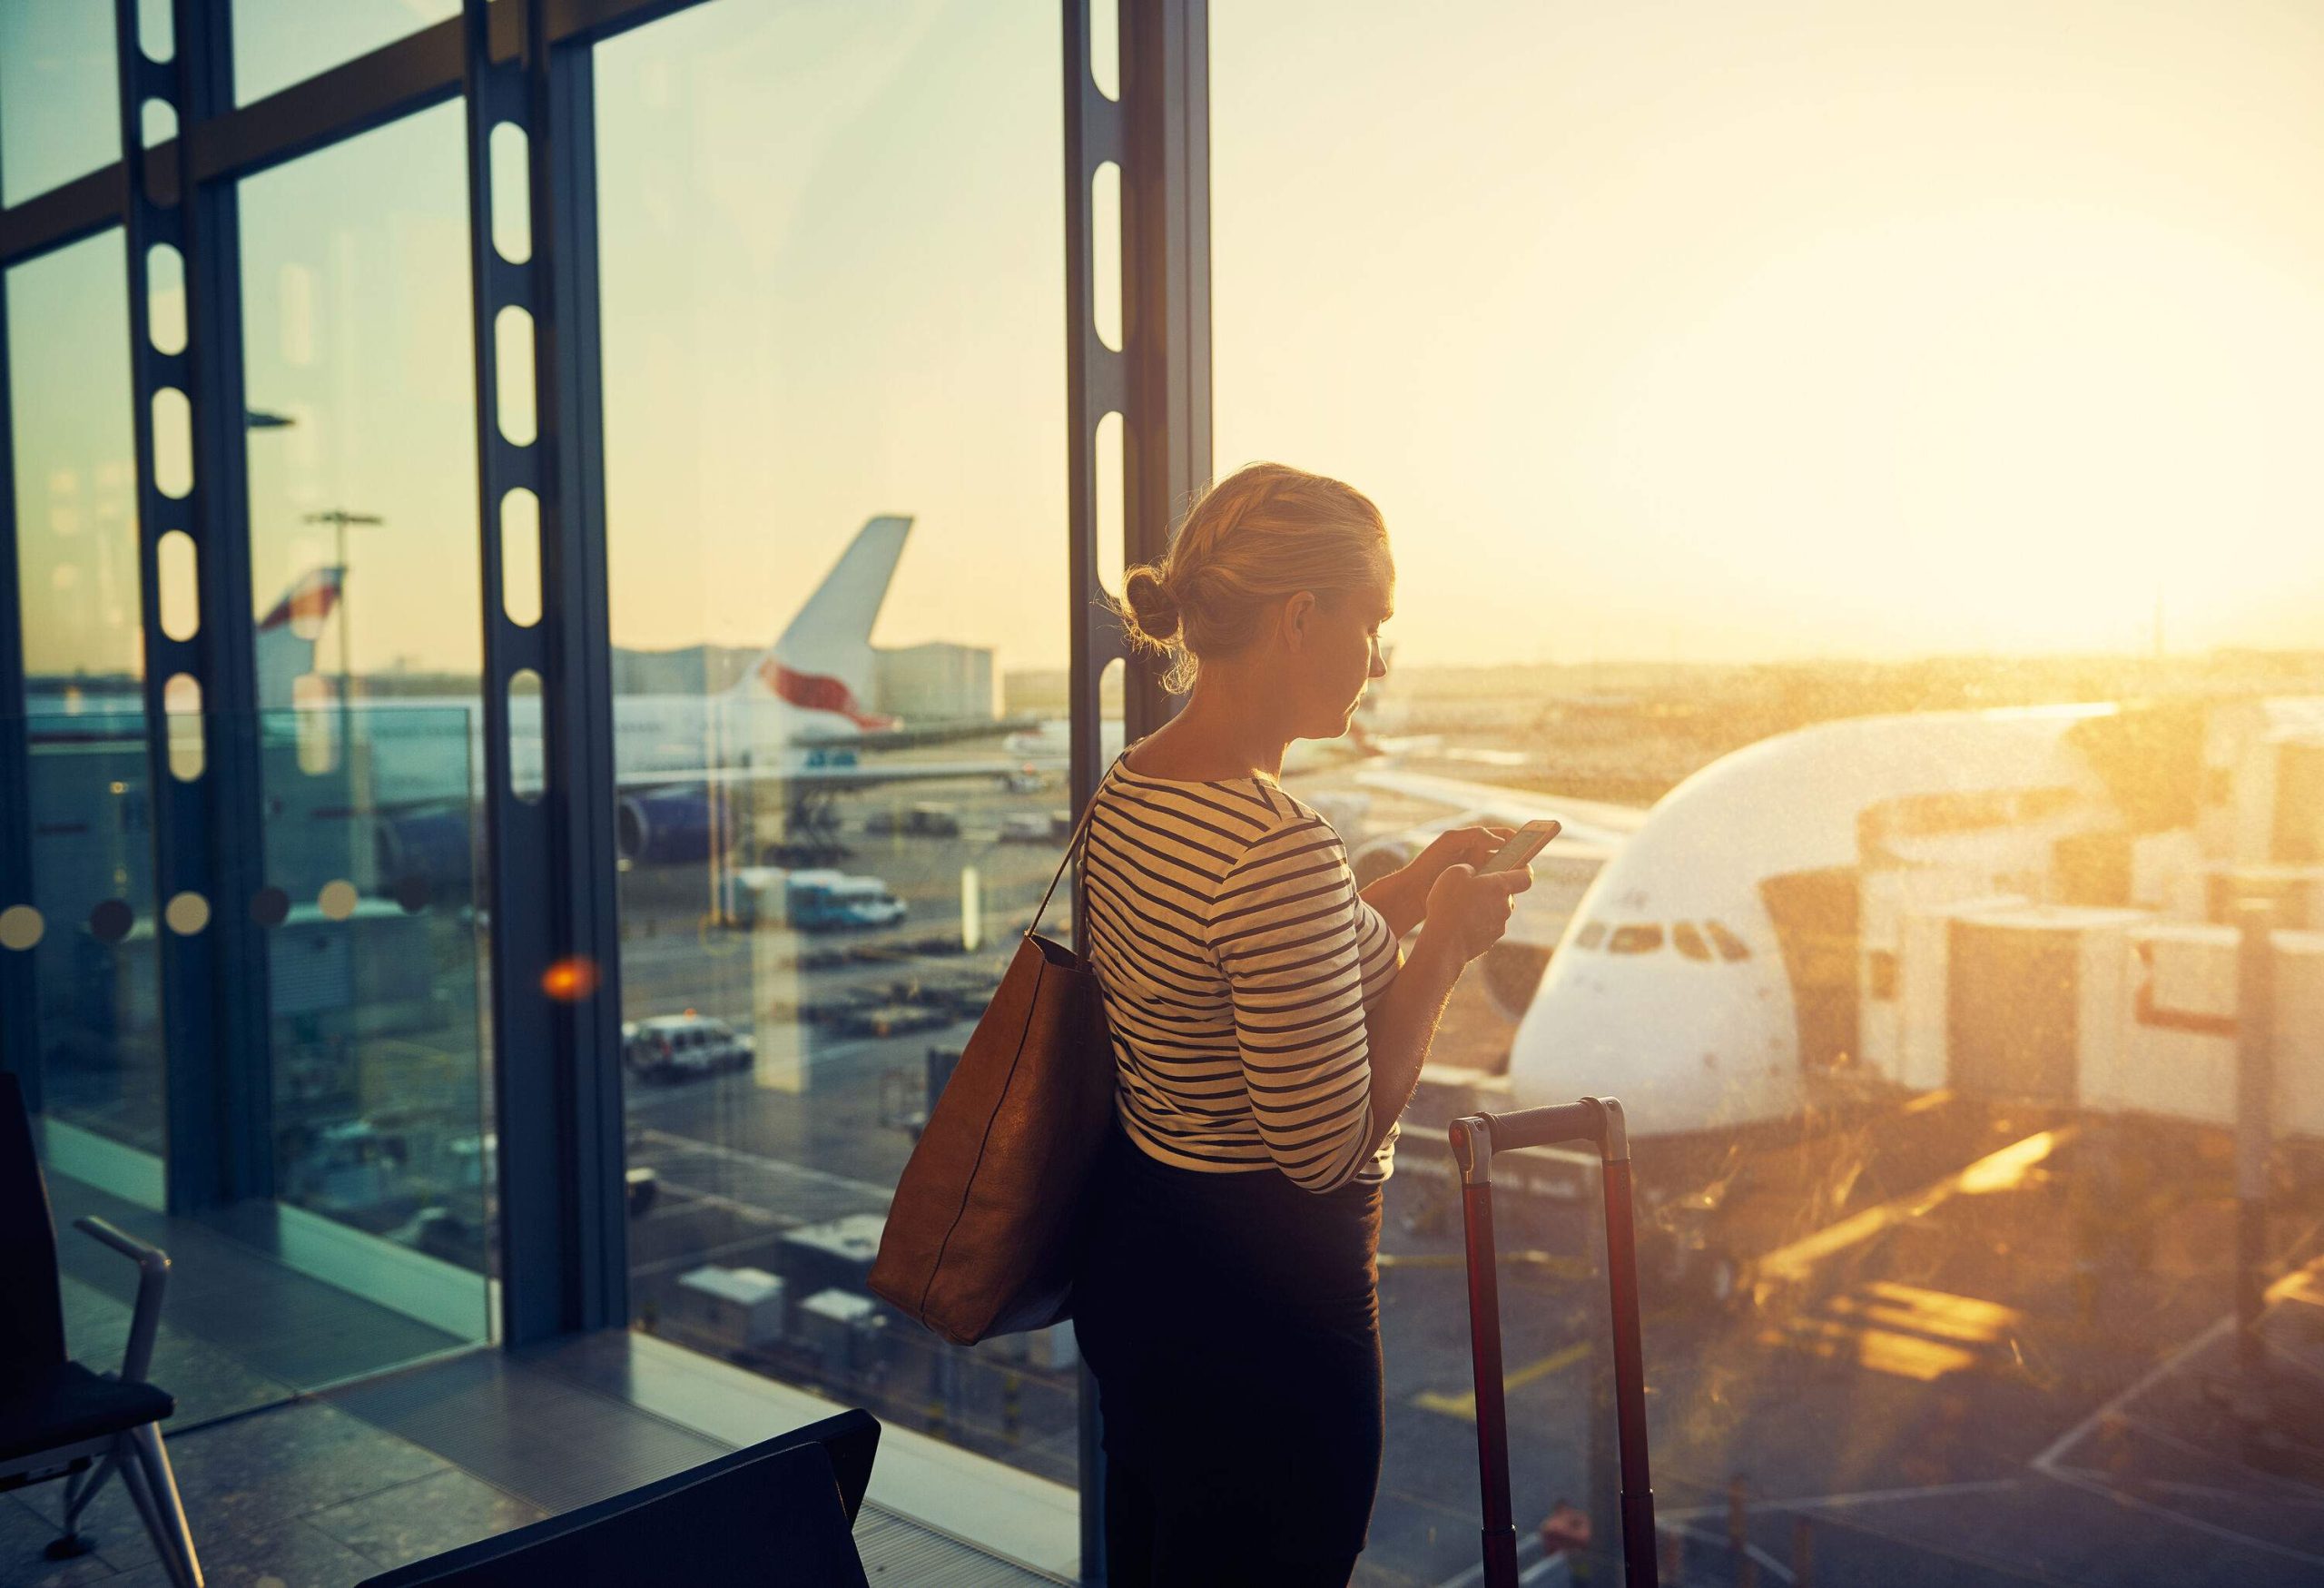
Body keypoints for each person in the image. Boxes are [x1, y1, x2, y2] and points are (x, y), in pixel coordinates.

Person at [1072, 461, 1533, 1586]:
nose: (1379, 660)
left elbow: (1261, 975)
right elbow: (1324, 1149)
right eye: (1374, 624)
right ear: (1298, 619)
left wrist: (1409, 888)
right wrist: (1445, 947)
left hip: (1144, 1272)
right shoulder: (1275, 843)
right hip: (1266, 1325)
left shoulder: (1136, 785)